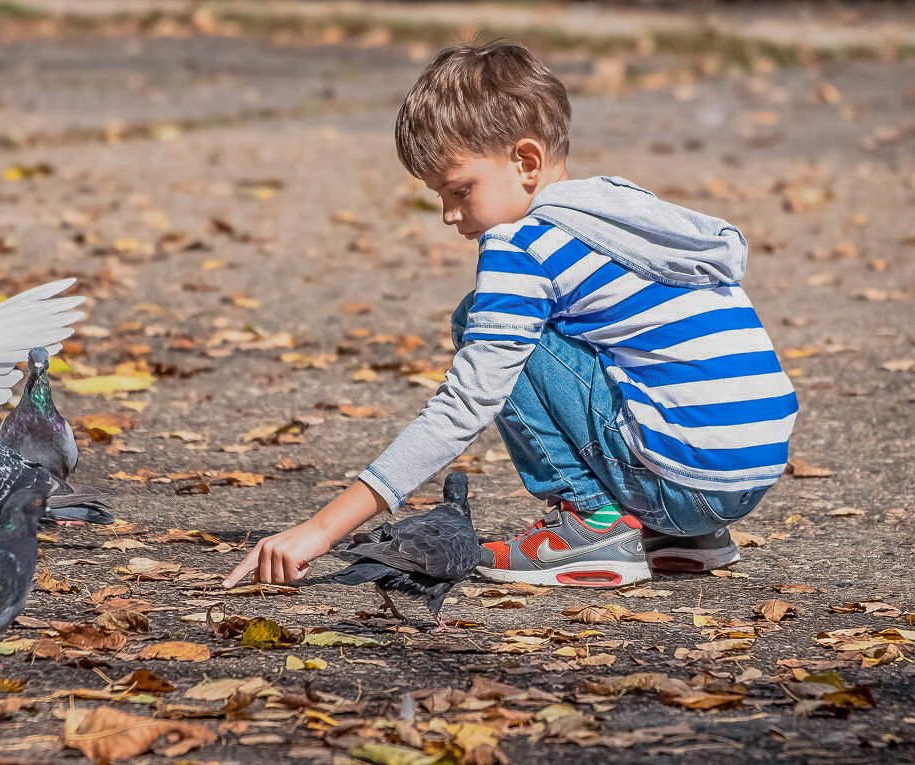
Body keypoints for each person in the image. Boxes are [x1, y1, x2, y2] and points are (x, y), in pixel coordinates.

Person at [223, 41, 797, 590]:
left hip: (683, 480)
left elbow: (469, 402)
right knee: (579, 336)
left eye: (459, 190)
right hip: (747, 472)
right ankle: (688, 539)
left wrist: (321, 529)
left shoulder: (522, 243)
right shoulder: (622, 207)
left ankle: (593, 524)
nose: (450, 215)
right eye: (439, 197)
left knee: (481, 319)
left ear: (526, 161)